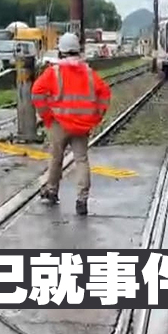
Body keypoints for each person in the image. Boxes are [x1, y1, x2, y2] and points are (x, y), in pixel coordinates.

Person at [32, 33, 112, 216]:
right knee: (81, 160)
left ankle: (51, 191)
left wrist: (47, 117)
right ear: (78, 50)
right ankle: (82, 200)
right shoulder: (89, 73)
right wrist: (96, 117)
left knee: (55, 158)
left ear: (61, 51)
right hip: (82, 127)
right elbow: (105, 94)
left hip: (59, 124)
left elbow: (36, 92)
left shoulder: (54, 72)